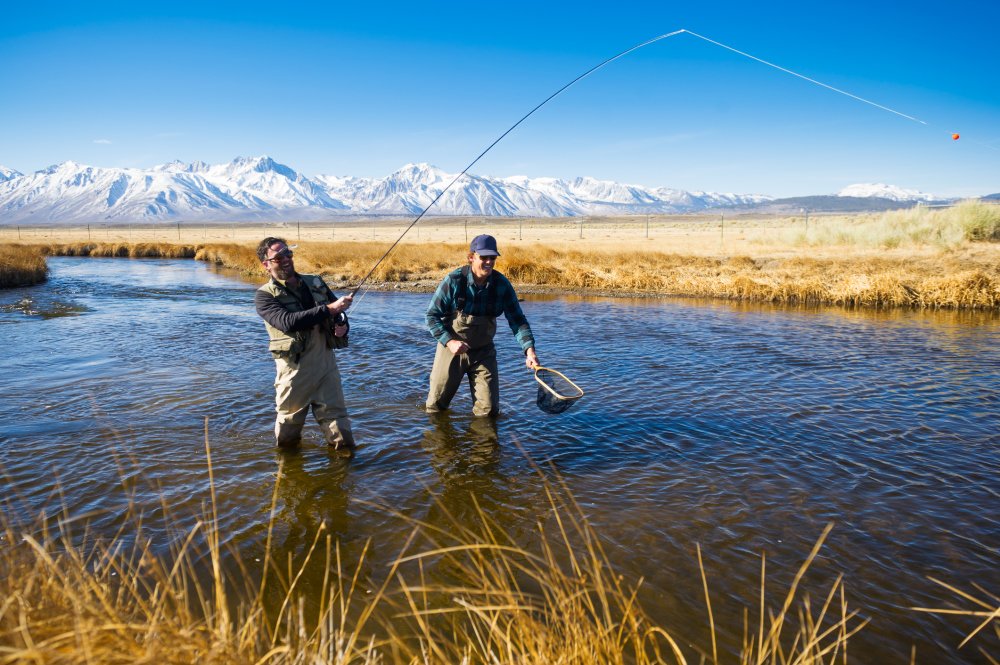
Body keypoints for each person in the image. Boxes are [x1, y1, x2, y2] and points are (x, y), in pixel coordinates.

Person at [254, 237, 356, 452]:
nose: (286, 259)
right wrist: (329, 310)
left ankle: (344, 473)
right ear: (266, 264)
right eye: (279, 257)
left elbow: (339, 312)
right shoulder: (264, 296)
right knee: (288, 431)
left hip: (326, 363)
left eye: (288, 254)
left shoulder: (315, 281)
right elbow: (287, 322)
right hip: (294, 369)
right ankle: (288, 471)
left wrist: (342, 325)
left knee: (339, 424)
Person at [425, 234, 539, 417]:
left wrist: (529, 351)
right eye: (483, 257)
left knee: (489, 411)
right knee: (435, 407)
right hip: (451, 350)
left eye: (492, 258)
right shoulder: (454, 281)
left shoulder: (502, 285)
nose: (488, 262)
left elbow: (517, 320)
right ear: (471, 257)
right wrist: (450, 342)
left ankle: (483, 445)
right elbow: (431, 317)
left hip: (483, 352)